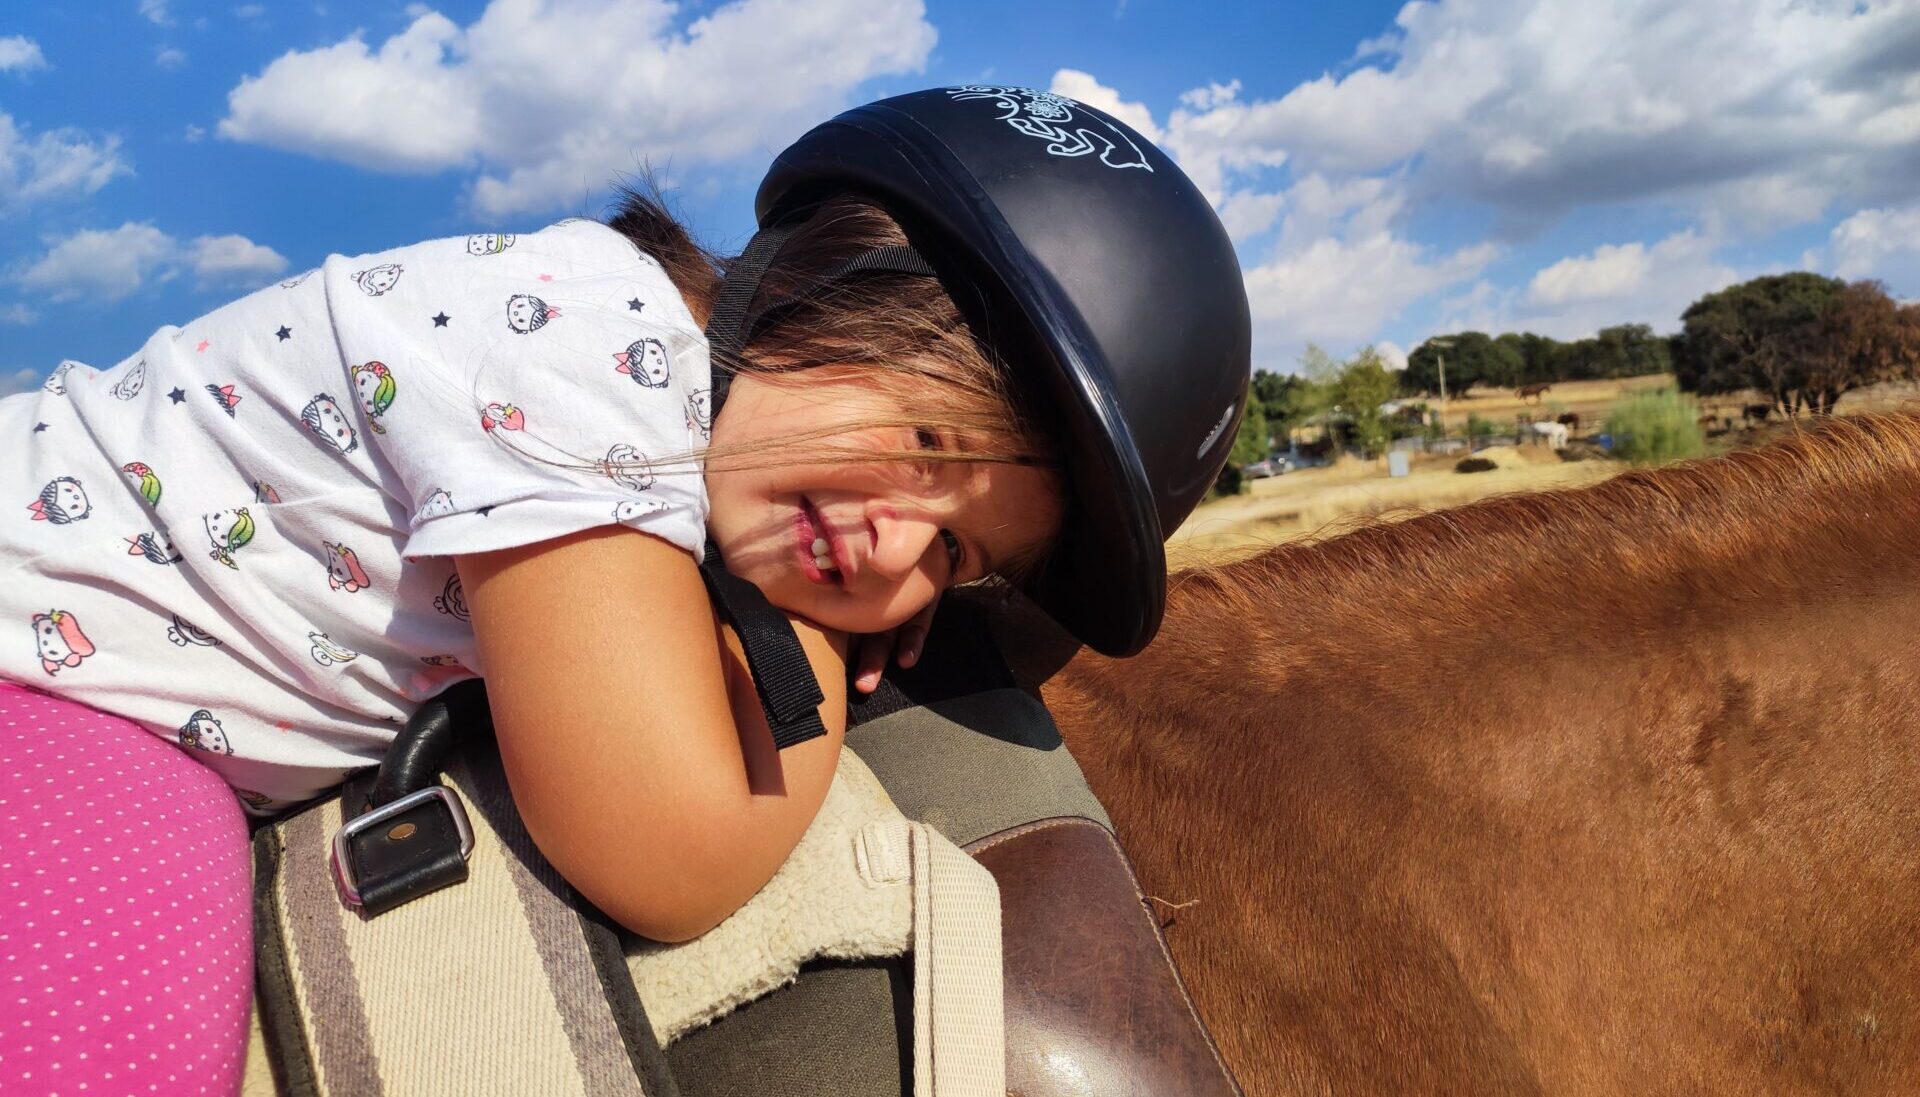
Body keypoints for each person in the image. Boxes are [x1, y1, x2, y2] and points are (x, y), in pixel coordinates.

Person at [0, 85, 1249, 1092]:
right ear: (817, 279)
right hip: (42, 655)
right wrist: (802, 641)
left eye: (953, 558)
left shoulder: (670, 414)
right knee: (122, 1003)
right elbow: (664, 849)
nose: (891, 543)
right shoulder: (582, 358)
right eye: (929, 447)